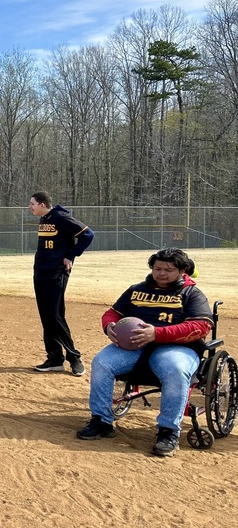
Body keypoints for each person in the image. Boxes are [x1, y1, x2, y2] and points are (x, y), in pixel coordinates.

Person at [77, 248, 212, 458]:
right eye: (158, 268)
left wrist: (157, 333)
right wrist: (109, 325)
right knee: (102, 362)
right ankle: (101, 421)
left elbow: (201, 326)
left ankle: (168, 431)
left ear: (183, 271)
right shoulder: (136, 290)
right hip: (134, 347)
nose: (162, 273)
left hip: (176, 348)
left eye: (169, 269)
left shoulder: (191, 293)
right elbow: (112, 312)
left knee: (175, 370)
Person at [29, 191, 94, 376]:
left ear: (42, 204)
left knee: (55, 315)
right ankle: (55, 358)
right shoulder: (45, 218)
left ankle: (74, 357)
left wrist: (70, 255)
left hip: (55, 272)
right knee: (46, 316)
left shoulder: (60, 217)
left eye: (32, 203)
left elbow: (88, 235)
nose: (30, 207)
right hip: (41, 271)